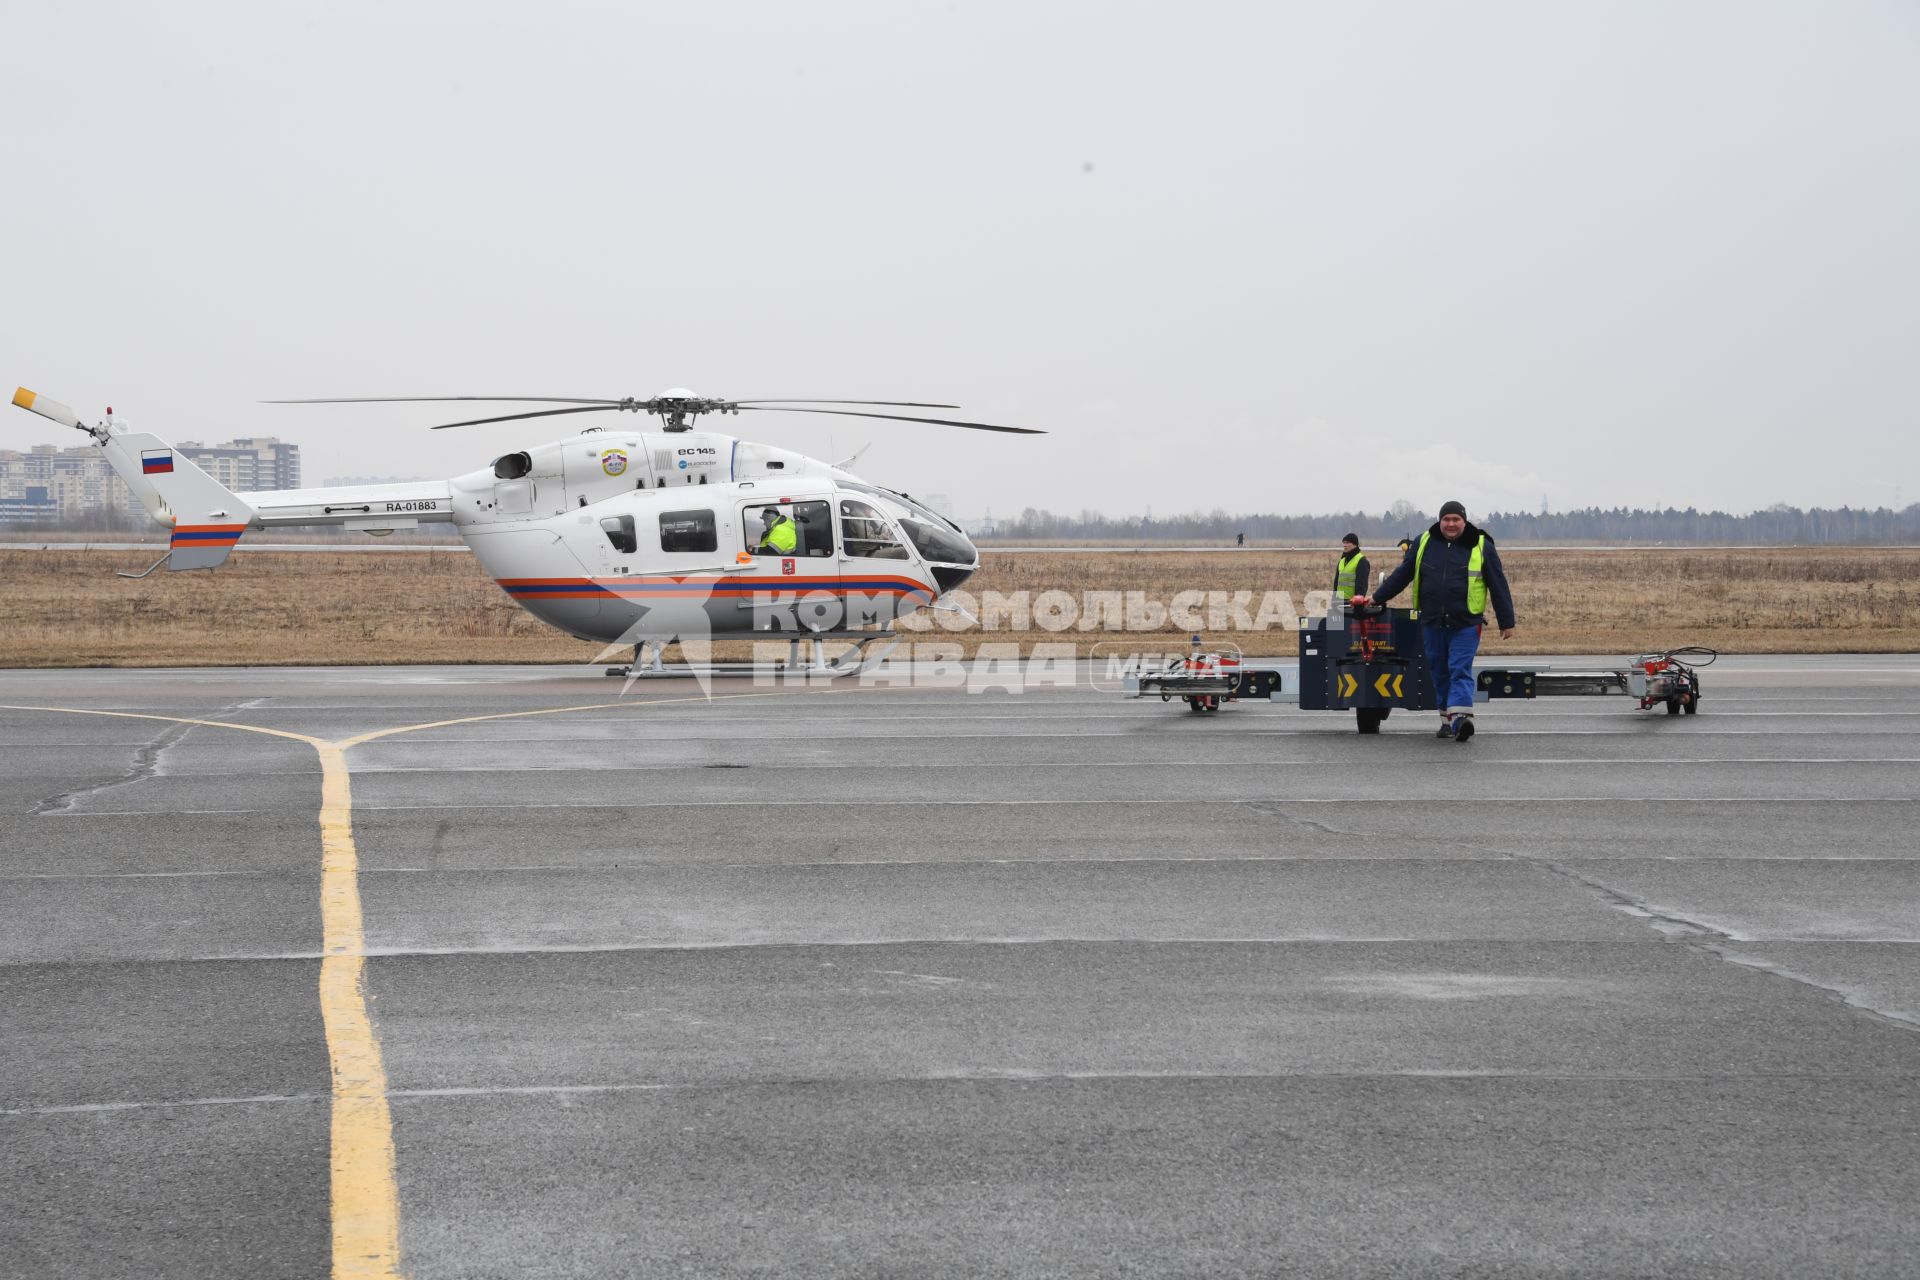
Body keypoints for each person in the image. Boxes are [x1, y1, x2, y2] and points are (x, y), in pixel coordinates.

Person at [1352, 500, 1515, 742]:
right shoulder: (1424, 542)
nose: (1450, 524)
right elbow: (1402, 575)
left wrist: (1506, 620)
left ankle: (1460, 719)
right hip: (1431, 622)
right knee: (1439, 671)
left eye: (1455, 520)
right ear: (1440, 521)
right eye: (1446, 519)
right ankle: (1446, 721)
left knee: (1459, 669)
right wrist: (1375, 598)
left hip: (1466, 623)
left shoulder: (1482, 544)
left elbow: (1497, 583)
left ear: (1464, 521)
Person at [1333, 534, 1369, 602]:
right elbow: (1336, 582)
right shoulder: (1342, 560)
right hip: (1339, 601)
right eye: (1344, 543)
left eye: (1347, 542)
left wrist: (1357, 602)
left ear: (1355, 544)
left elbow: (1362, 586)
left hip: (1352, 603)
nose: (1344, 545)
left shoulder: (1362, 561)